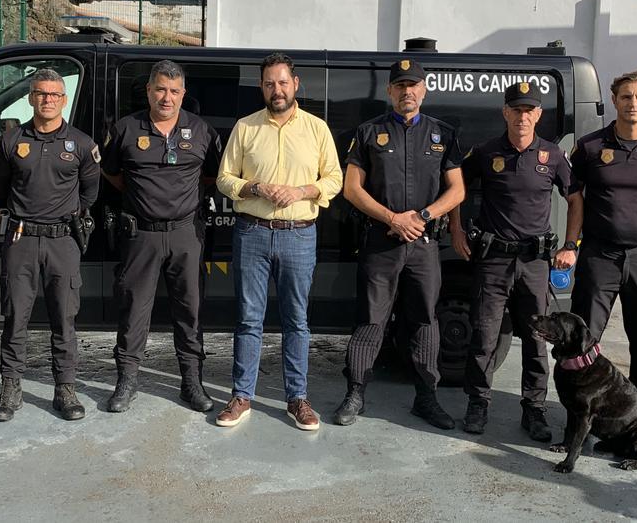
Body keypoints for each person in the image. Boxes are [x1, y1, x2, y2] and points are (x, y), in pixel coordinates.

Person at [214, 52, 343, 431]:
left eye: (283, 82)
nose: (277, 89)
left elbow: (334, 179)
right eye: (270, 83)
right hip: (252, 233)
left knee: (297, 321)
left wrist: (303, 190)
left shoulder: (317, 129)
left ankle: (297, 399)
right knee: (249, 319)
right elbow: (224, 178)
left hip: (299, 236)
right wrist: (254, 186)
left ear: (295, 84)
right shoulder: (246, 127)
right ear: (262, 87)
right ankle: (241, 396)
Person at [335, 59, 465, 429]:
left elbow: (457, 190)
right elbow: (352, 189)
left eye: (414, 85)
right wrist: (392, 218)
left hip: (423, 245)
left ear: (424, 90)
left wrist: (420, 217)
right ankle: (356, 392)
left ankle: (426, 398)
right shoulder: (368, 132)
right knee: (371, 320)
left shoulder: (443, 134)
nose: (407, 91)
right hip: (381, 241)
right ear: (389, 91)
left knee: (424, 320)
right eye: (400, 85)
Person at [449, 80, 581, 442]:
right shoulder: (487, 151)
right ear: (505, 112)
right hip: (493, 260)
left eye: (529, 110)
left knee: (538, 340)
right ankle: (478, 403)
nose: (522, 116)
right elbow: (455, 187)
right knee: (484, 337)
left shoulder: (552, 155)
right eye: (516, 109)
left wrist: (571, 243)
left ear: (538, 114)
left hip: (535, 263)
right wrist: (456, 231)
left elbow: (575, 199)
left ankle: (534, 410)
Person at [100, 60, 221, 414]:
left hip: (186, 234)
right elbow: (112, 173)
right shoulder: (126, 129)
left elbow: (212, 177)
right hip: (141, 235)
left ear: (183, 94)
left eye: (173, 91)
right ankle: (126, 382)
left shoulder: (201, 131)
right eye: (160, 90)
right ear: (149, 91)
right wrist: (144, 198)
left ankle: (191, 382)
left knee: (190, 311)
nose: (166, 97)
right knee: (134, 309)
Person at [0, 69, 100, 422]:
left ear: (64, 99)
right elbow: (0, 187)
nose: (47, 100)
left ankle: (65, 389)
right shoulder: (11, 141)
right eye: (40, 94)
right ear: (30, 98)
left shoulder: (82, 144)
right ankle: (10, 388)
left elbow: (90, 193)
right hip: (21, 238)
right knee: (14, 316)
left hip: (62, 240)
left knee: (64, 318)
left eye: (54, 94)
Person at [567, 70, 637, 404]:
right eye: (626, 97)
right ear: (614, 101)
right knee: (583, 337)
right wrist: (575, 242)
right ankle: (579, 411)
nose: (633, 103)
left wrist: (634, 222)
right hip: (599, 255)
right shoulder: (589, 147)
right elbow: (576, 199)